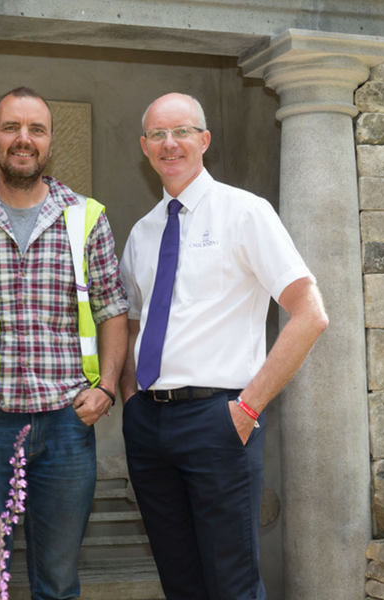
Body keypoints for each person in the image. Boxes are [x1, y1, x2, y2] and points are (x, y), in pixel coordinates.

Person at [118, 92, 329, 600]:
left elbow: (310, 314)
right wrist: (129, 402)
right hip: (148, 423)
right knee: (180, 582)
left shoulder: (245, 212)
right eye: (158, 135)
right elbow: (131, 324)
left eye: (182, 132)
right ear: (144, 147)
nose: (170, 144)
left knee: (232, 585)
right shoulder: (143, 233)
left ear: (204, 140)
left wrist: (247, 407)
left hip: (219, 420)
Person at [0, 87, 128, 600]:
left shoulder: (86, 216)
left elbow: (112, 308)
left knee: (59, 581)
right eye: (11, 127)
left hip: (66, 423)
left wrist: (106, 387)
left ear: (49, 141)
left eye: (35, 129)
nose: (24, 139)